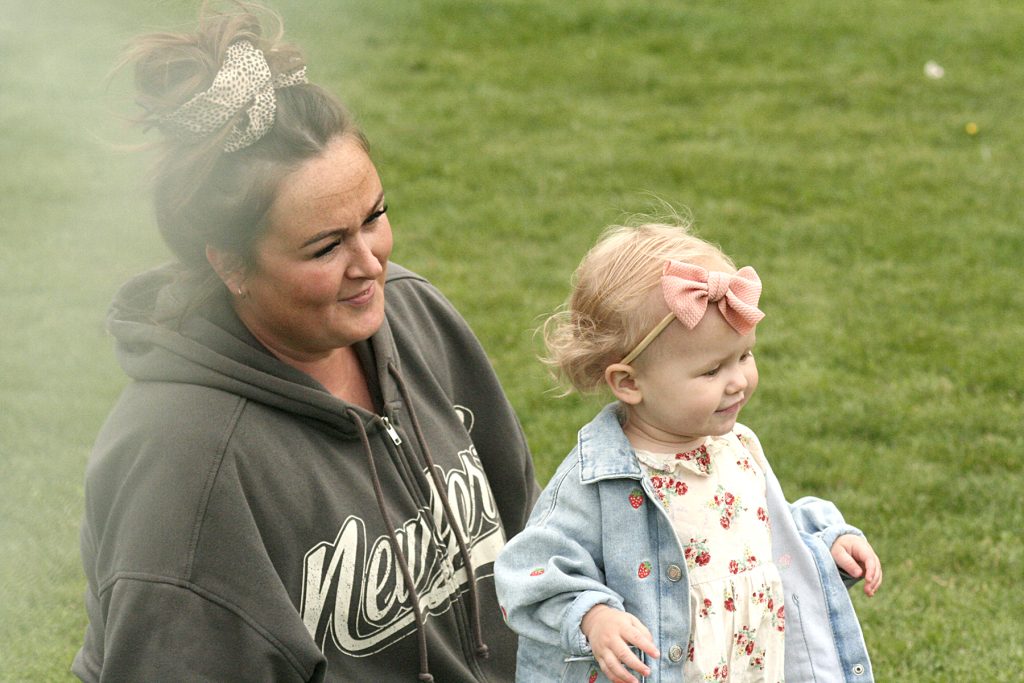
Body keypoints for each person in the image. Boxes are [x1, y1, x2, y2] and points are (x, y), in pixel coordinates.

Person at [72, 4, 538, 681]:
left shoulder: (409, 314)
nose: (370, 262)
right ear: (230, 264)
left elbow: (530, 532)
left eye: (374, 216)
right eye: (325, 247)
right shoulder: (184, 464)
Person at [494, 222, 883, 683]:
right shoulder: (598, 480)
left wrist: (827, 539)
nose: (738, 380)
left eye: (744, 357)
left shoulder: (735, 446)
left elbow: (757, 525)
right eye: (712, 370)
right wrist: (594, 617)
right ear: (630, 382)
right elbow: (530, 569)